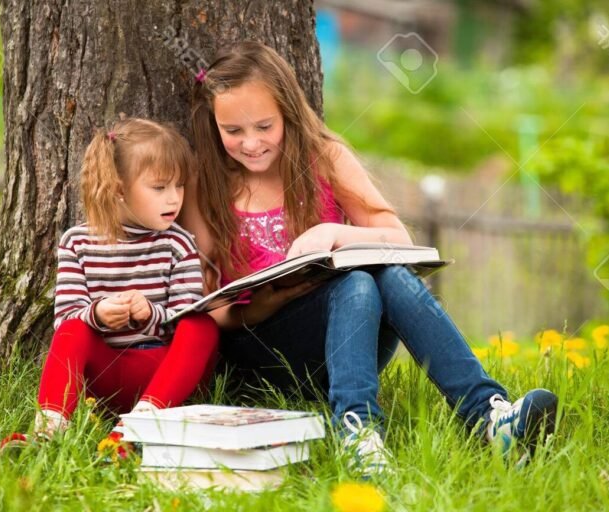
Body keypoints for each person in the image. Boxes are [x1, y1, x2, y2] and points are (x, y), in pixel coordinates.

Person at [182, 41, 557, 476]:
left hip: (348, 341)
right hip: (264, 353)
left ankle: (488, 417)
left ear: (288, 112)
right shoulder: (205, 185)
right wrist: (272, 299)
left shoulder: (324, 156)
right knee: (357, 283)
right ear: (213, 125)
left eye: (265, 126)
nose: (251, 143)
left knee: (384, 276)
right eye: (233, 131)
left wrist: (334, 233)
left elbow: (396, 237)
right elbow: (212, 310)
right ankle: (358, 433)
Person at [0, 118, 219, 451]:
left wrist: (150, 314)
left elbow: (184, 312)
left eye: (179, 186)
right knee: (73, 330)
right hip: (109, 376)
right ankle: (47, 433)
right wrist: (98, 314)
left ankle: (140, 428)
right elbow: (65, 321)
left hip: (166, 378)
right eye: (160, 188)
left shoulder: (179, 243)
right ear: (119, 189)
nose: (174, 199)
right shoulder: (77, 244)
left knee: (202, 325)